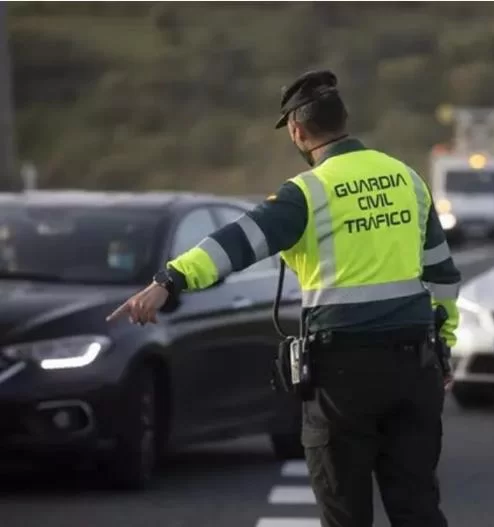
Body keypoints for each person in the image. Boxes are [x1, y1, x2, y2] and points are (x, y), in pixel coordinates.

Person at [107, 69, 460, 527]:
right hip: (414, 367)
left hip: (344, 377)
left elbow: (234, 243)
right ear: (344, 119)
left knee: (345, 512)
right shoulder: (406, 179)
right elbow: (443, 275)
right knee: (417, 509)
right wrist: (444, 345)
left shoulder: (307, 194)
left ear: (296, 130)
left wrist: (168, 280)